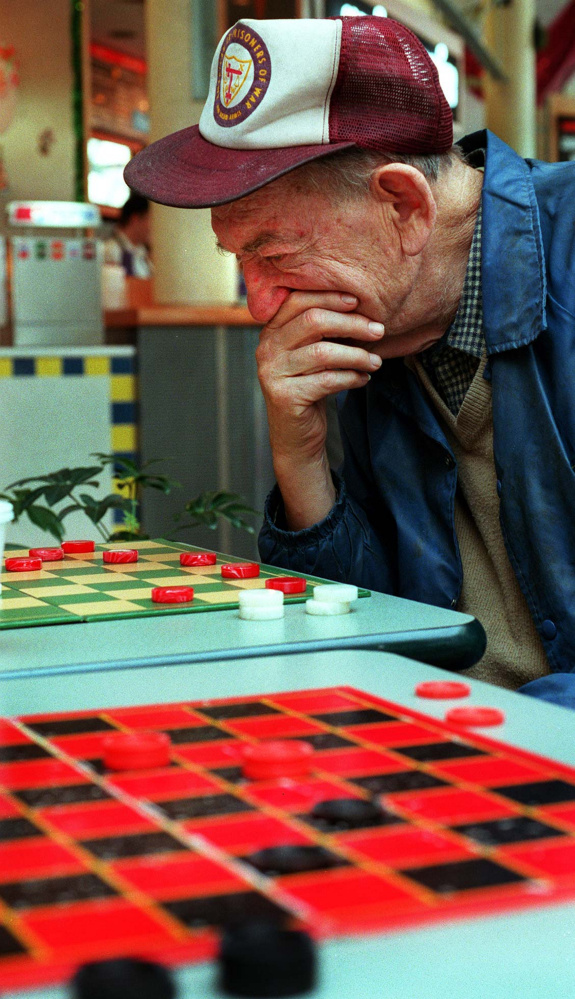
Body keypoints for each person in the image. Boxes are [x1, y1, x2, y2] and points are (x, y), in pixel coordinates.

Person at [125, 16, 575, 710]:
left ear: (403, 206)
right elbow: (359, 629)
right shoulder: (381, 325)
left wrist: (483, 737)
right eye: (239, 260)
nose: (260, 302)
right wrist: (301, 456)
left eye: (273, 253)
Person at [104, 192, 152, 278]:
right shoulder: (110, 250)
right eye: (149, 219)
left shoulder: (143, 254)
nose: (153, 226)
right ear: (135, 219)